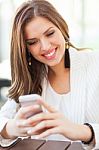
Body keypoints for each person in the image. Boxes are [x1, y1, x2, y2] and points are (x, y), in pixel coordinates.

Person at [0, 0, 99, 149]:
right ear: (25, 49)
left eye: (50, 33)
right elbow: (3, 121)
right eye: (33, 42)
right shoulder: (31, 77)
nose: (45, 47)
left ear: (62, 28)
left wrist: (83, 131)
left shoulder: (94, 63)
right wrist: (12, 128)